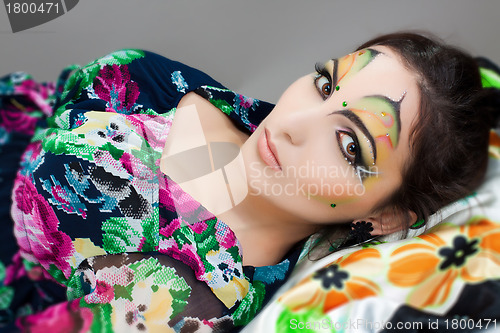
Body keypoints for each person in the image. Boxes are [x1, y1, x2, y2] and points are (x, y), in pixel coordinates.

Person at [0, 31, 498, 332]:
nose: (291, 122)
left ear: (384, 215)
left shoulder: (185, 302)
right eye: (327, 85)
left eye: (350, 145)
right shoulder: (209, 102)